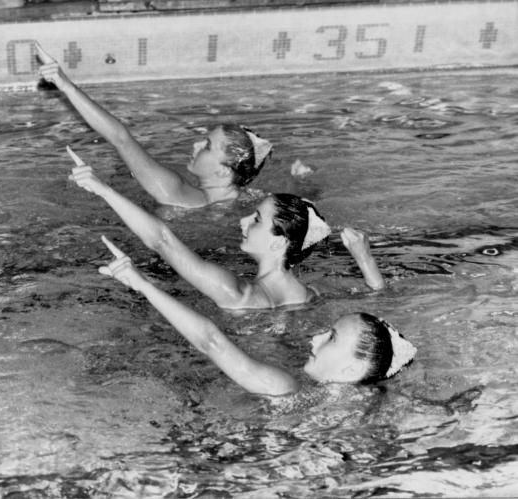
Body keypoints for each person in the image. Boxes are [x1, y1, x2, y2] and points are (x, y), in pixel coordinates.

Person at [97, 236, 416, 396]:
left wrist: (143, 285)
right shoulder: (366, 400)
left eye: (331, 338)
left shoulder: (286, 388)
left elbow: (211, 341)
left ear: (350, 369)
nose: (316, 337)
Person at [67, 148, 384, 309]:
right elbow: (377, 296)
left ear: (279, 244)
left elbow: (163, 240)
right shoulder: (313, 294)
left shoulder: (238, 292)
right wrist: (364, 258)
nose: (244, 220)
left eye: (256, 219)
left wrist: (103, 190)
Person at [36, 43, 273, 208]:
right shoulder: (254, 202)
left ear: (223, 171)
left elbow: (120, 138)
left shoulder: (176, 191)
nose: (197, 144)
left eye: (208, 146)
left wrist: (66, 86)